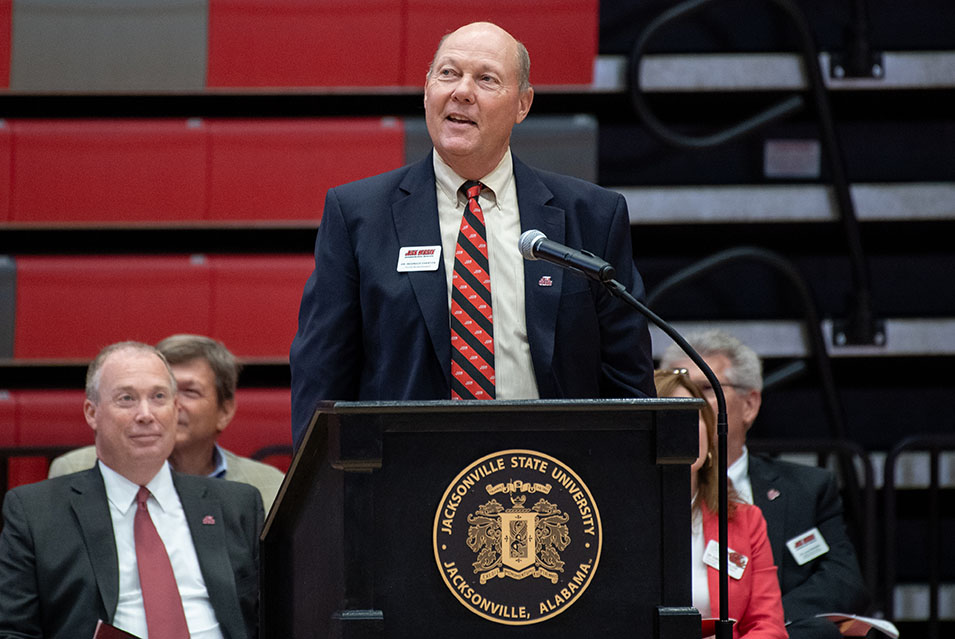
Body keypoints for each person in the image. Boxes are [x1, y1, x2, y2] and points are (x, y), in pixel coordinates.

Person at [289, 21, 654, 447]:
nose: (462, 91)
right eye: (447, 73)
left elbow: (628, 380)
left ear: (522, 105)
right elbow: (322, 374)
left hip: (553, 480)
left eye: (486, 79)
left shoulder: (591, 214)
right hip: (407, 481)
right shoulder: (358, 215)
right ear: (427, 90)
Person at [0, 341, 261, 638]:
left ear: (175, 410)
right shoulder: (36, 513)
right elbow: (13, 631)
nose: (146, 414)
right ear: (91, 412)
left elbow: (275, 617)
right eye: (127, 399)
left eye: (159, 397)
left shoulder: (238, 505)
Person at [660, 330, 869, 639]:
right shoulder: (632, 506)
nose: (692, 412)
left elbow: (842, 580)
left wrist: (760, 622)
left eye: (706, 389)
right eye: (677, 398)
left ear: (750, 404)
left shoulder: (806, 489)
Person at [48, 334, 285, 510]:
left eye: (190, 392)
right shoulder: (76, 468)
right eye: (161, 394)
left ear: (225, 411)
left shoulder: (266, 486)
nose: (172, 406)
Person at [656, 369, 787, 639]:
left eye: (692, 418)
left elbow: (768, 626)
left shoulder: (746, 520)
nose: (683, 430)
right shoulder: (610, 521)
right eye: (668, 419)